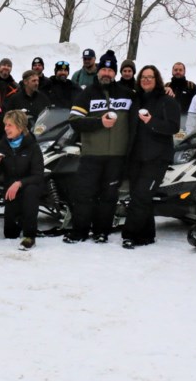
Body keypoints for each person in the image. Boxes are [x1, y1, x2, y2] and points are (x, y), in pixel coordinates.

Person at [65, 50, 135, 244]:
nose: (106, 73)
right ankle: (80, 231)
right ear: (98, 71)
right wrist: (99, 122)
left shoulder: (127, 95)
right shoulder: (86, 94)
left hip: (117, 157)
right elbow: (74, 121)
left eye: (110, 70)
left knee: (109, 197)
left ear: (115, 73)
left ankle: (101, 231)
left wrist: (168, 89)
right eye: (103, 69)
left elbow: (150, 98)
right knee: (84, 195)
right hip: (91, 155)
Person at [121, 65, 181, 249]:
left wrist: (151, 121)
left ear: (157, 80)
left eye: (150, 77)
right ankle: (146, 235)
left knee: (141, 195)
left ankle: (129, 234)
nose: (146, 80)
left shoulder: (167, 101)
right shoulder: (135, 99)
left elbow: (173, 127)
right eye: (143, 77)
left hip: (157, 157)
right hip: (135, 156)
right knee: (139, 196)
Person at [0, 110, 44, 250]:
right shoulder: (0, 145)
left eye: (10, 125)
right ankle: (18, 220)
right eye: (5, 125)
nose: (6, 128)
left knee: (31, 191)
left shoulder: (32, 146)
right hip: (10, 189)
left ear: (20, 127)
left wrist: (19, 183)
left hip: (29, 186)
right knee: (10, 233)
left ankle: (29, 236)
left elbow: (38, 175)